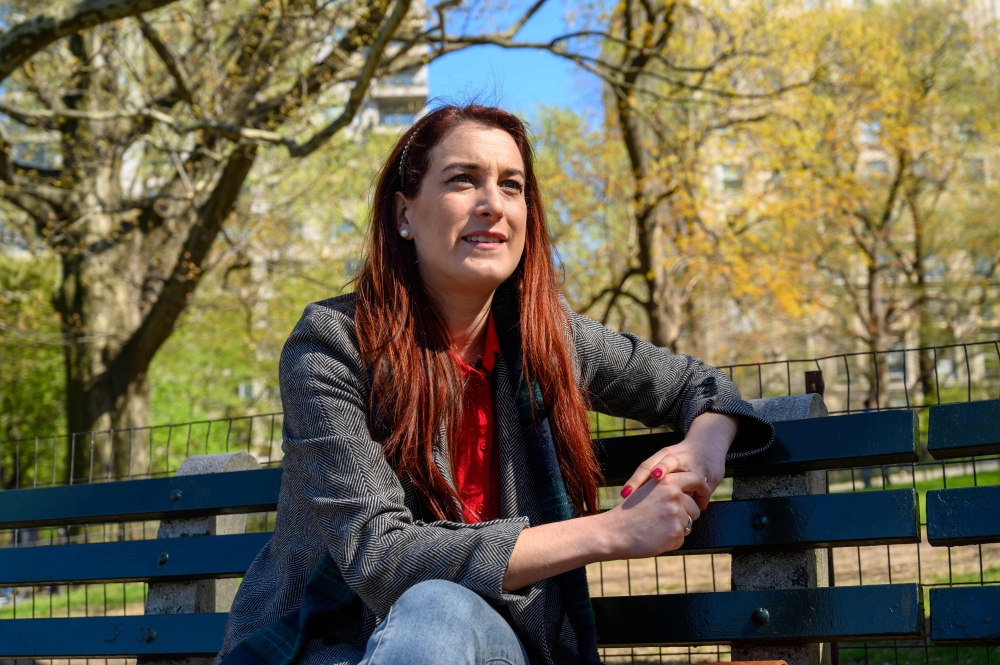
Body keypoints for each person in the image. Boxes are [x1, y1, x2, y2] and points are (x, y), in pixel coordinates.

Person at [216, 105, 774, 665]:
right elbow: (380, 556)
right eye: (463, 179)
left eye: (512, 186)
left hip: (504, 646)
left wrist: (702, 450)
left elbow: (699, 385)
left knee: (441, 609)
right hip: (325, 646)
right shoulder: (333, 345)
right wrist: (612, 531)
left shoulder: (550, 341)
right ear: (403, 213)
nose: (492, 204)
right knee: (435, 607)